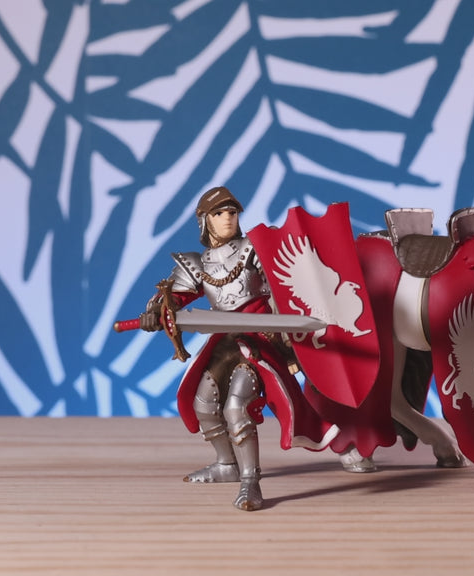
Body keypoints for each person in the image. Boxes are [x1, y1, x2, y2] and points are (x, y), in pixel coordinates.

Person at [140, 186, 333, 511]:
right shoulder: (198, 263)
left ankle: (250, 480)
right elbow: (174, 298)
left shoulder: (254, 248)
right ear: (205, 220)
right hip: (224, 341)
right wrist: (156, 312)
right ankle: (226, 464)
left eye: (232, 212)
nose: (228, 218)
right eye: (219, 213)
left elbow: (285, 284)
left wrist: (288, 338)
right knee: (204, 402)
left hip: (260, 340)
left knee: (236, 406)